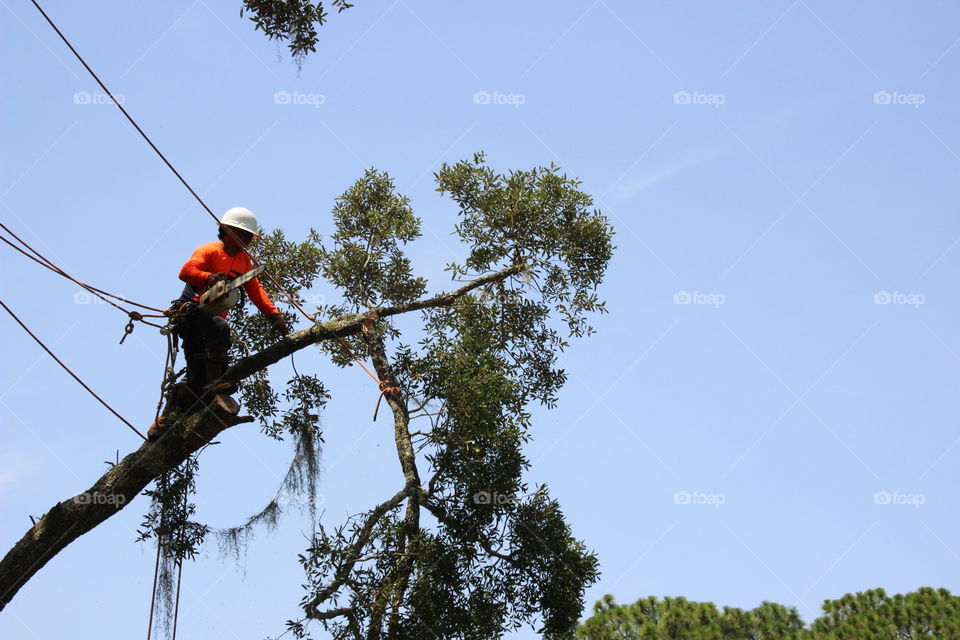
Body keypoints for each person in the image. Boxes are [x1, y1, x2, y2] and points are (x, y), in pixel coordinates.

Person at [148, 207, 289, 441]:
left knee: (197, 378)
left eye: (249, 236)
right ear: (227, 231)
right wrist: (208, 277)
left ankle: (163, 423)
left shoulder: (244, 262)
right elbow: (186, 272)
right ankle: (216, 382)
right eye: (243, 234)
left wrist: (274, 316)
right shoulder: (209, 250)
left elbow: (256, 292)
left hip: (210, 325)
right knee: (221, 329)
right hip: (190, 314)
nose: (247, 240)